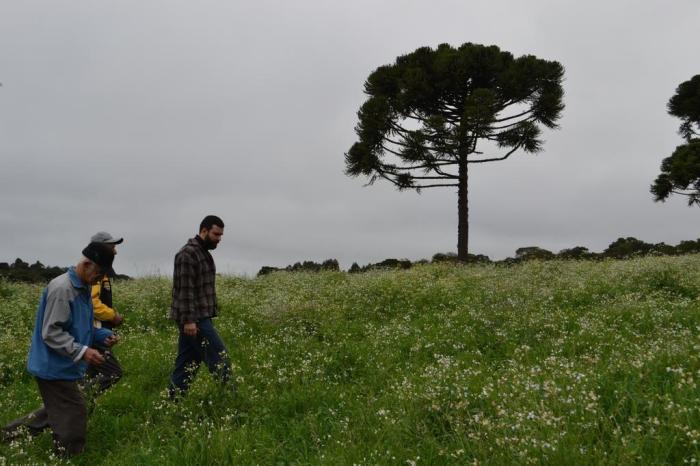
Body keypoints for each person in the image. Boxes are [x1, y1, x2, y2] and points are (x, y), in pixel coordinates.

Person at [1, 233, 126, 440]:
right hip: (53, 367)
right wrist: (83, 351)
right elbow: (51, 332)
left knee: (62, 411)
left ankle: (9, 435)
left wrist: (103, 336)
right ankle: (67, 456)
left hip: (65, 365)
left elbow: (80, 328)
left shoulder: (83, 287)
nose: (100, 277)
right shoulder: (63, 289)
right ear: (86, 264)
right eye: (99, 272)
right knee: (74, 416)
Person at [168, 215, 233, 399]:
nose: (219, 239)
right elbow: (185, 289)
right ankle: (232, 400)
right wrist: (189, 320)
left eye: (221, 235)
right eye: (216, 234)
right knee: (220, 358)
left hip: (200, 317)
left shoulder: (203, 253)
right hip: (195, 319)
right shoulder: (188, 254)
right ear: (204, 231)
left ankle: (173, 401)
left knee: (188, 363)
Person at [85, 231, 125, 395]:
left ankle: (79, 410)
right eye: (112, 247)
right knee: (113, 373)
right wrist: (112, 315)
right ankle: (74, 401)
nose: (115, 251)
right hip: (95, 333)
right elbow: (92, 303)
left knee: (91, 377)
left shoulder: (102, 273)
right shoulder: (95, 273)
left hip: (97, 333)